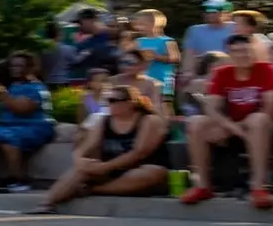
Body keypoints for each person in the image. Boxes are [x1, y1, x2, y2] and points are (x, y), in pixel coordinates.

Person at [29, 86, 170, 214]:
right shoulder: (104, 121)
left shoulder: (149, 120)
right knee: (81, 169)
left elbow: (139, 152)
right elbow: (88, 145)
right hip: (111, 169)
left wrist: (105, 167)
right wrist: (80, 160)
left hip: (138, 168)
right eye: (107, 100)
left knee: (152, 172)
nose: (109, 104)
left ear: (131, 102)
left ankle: (94, 190)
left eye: (113, 100)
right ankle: (47, 203)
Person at [182, 33, 273, 210]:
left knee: (257, 119)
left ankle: (259, 187)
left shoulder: (266, 69)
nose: (242, 55)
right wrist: (230, 127)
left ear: (254, 51)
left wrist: (236, 127)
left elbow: (270, 108)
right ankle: (202, 185)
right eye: (236, 52)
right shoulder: (222, 73)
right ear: (229, 54)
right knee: (196, 122)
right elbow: (211, 108)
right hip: (233, 125)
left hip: (263, 125)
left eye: (246, 50)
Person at [0, 52, 56, 192]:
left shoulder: (36, 88)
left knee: (9, 138)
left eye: (19, 65)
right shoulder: (14, 86)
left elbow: (20, 109)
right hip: (9, 126)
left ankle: (17, 179)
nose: (14, 68)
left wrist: (1, 92)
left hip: (36, 126)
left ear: (31, 68)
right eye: (12, 65)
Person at [133, 9, 180, 103]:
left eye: (142, 24)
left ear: (155, 23)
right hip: (145, 78)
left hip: (164, 78)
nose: (138, 27)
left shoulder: (167, 40)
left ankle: (167, 117)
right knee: (144, 102)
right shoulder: (138, 41)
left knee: (165, 103)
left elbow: (176, 58)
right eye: (136, 24)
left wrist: (156, 56)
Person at [181, 0, 235, 79]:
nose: (209, 15)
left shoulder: (236, 28)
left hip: (230, 72)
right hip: (203, 73)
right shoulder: (195, 30)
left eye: (214, 12)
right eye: (207, 12)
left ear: (227, 13)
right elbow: (189, 54)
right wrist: (187, 72)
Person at [113, 48, 165, 117]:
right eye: (123, 63)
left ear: (142, 65)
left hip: (142, 118)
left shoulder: (153, 84)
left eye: (131, 63)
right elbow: (101, 104)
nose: (126, 66)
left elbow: (157, 107)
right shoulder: (113, 80)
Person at [70, 10, 119, 79]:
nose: (78, 26)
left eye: (80, 23)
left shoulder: (122, 37)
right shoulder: (84, 44)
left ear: (90, 21)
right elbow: (73, 63)